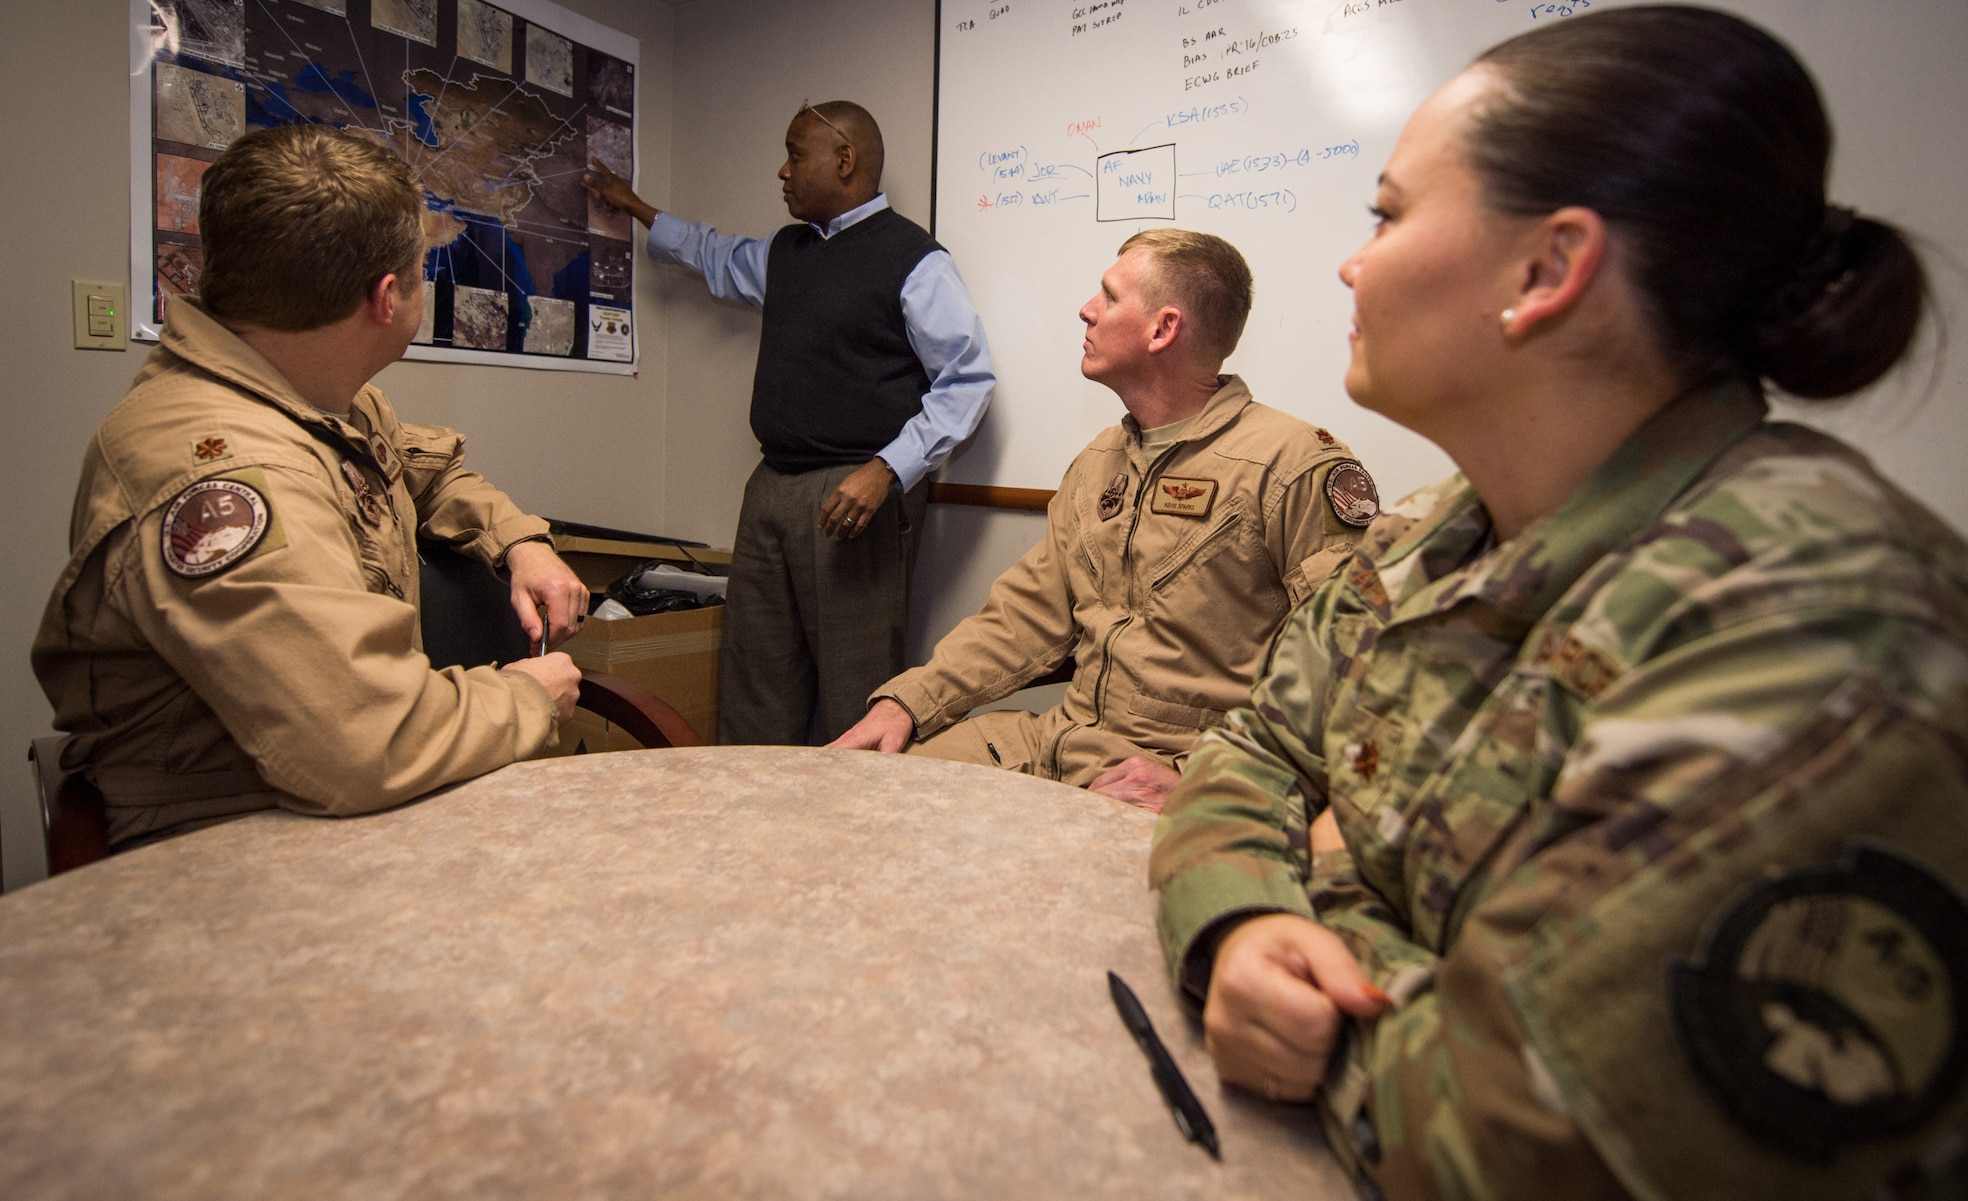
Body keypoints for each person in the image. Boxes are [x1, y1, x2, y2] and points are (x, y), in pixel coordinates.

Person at [1149, 8, 1968, 1200]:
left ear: (1546, 272)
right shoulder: (1438, 528)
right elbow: (1248, 749)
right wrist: (1240, 917)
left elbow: (1507, 1139)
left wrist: (1327, 887)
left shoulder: (1821, 631)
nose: (1351, 263)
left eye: (1386, 215)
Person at [33, 124, 585, 852]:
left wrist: (520, 543)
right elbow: (362, 741)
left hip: (351, 802)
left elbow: (423, 469)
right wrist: (527, 697)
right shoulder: (227, 478)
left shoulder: (311, 394)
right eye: (422, 270)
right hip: (237, 839)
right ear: (386, 296)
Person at [831, 230, 1377, 812]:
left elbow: (1359, 670)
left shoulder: (1291, 465)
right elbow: (1024, 617)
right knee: (862, 789)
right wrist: (910, 701)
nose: (1086, 309)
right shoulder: (1099, 462)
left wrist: (1208, 783)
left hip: (1186, 761)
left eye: (1110, 296)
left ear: (1163, 330)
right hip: (1064, 738)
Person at [584, 101, 995, 744]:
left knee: (855, 692)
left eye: (796, 154)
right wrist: (635, 207)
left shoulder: (915, 259)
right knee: (756, 683)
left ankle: (850, 814)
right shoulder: (788, 252)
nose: (783, 171)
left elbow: (968, 380)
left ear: (845, 160)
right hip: (771, 487)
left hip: (855, 495)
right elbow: (714, 254)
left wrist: (886, 470)